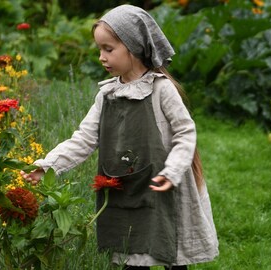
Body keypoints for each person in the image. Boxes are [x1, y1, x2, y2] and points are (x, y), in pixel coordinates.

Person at [21, 4, 219, 270]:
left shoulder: (161, 90)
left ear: (134, 47)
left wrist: (172, 171)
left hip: (163, 185)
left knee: (170, 249)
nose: (102, 57)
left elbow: (185, 132)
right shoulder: (107, 95)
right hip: (126, 185)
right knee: (132, 253)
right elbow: (84, 138)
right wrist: (48, 165)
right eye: (100, 50)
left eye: (108, 49)